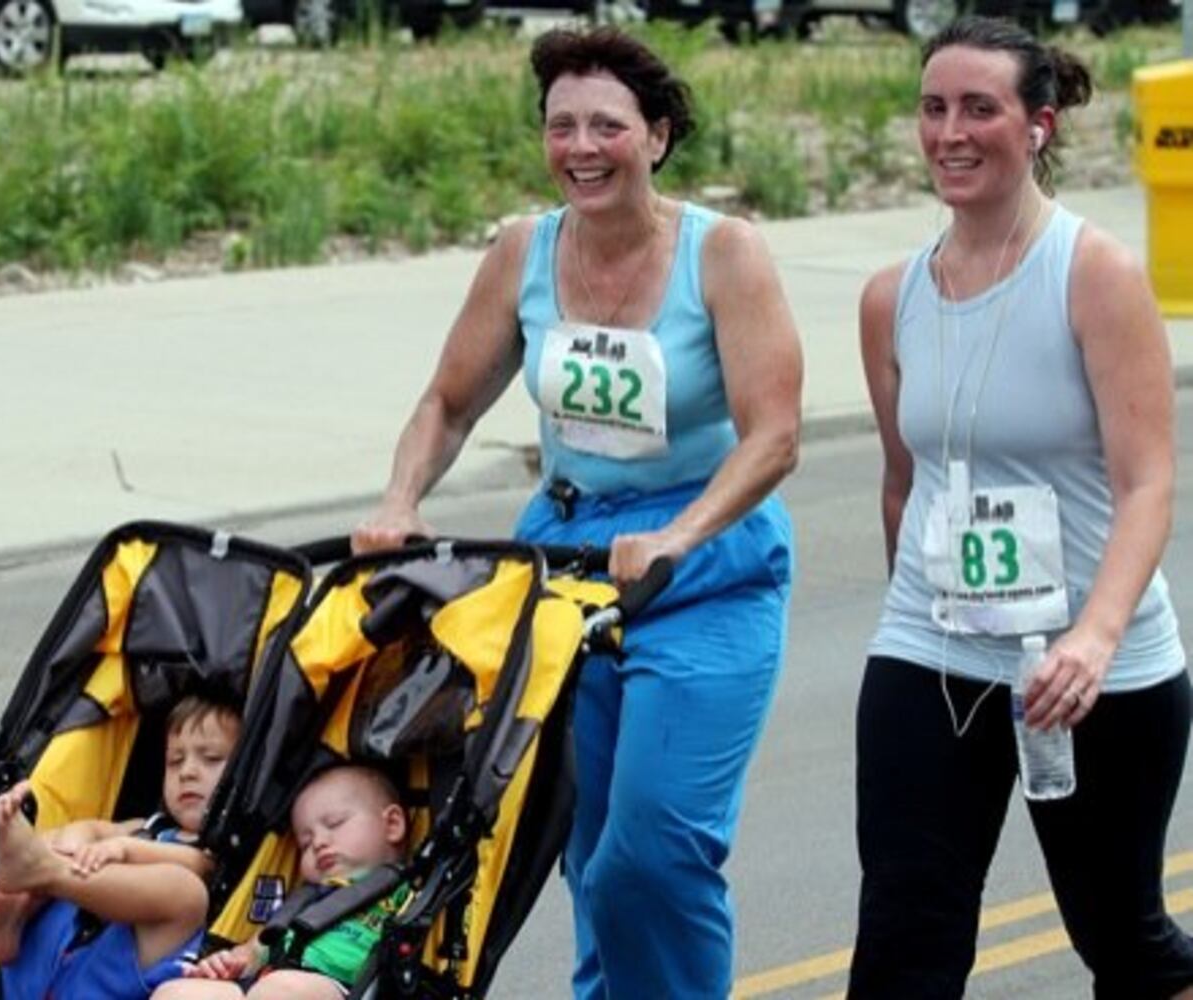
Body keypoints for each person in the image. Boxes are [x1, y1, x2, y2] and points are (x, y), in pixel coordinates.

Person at [351, 26, 801, 1000]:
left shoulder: (724, 255)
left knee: (656, 850)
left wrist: (678, 535)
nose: (582, 147)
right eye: (562, 127)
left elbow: (775, 436)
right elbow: (449, 402)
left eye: (607, 125)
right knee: (587, 850)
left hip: (703, 563)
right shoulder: (525, 249)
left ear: (659, 137)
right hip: (561, 567)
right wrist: (401, 499)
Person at [852, 15, 1193, 998]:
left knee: (1120, 939)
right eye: (933, 108)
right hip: (935, 649)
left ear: (1038, 125)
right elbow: (903, 482)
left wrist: (1092, 635)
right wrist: (908, 621)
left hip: (1097, 668)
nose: (950, 132)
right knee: (904, 938)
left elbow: (1149, 483)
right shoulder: (892, 298)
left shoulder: (1094, 274)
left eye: (979, 108)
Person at [0, 694, 241, 1000]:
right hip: (50, 961)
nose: (187, 772)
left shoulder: (220, 850)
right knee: (60, 840)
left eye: (210, 758)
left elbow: (198, 865)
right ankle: (7, 929)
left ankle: (42, 872)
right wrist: (72, 843)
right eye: (175, 761)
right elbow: (94, 828)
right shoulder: (147, 826)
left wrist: (125, 850)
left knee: (187, 892)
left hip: (113, 973)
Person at [152, 763, 410, 1000]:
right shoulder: (304, 898)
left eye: (335, 823)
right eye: (305, 844)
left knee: (282, 989)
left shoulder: (407, 892)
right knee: (176, 992)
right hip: (267, 980)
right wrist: (231, 962)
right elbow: (254, 950)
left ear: (393, 824)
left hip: (341, 987)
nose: (319, 843)